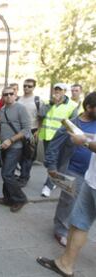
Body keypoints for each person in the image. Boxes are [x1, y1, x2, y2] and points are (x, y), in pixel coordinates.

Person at [37, 131, 96, 277]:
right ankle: (64, 264)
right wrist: (87, 136)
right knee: (78, 223)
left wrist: (84, 142)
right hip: (92, 180)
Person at [43, 92, 96, 246]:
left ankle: (76, 229)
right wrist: (51, 167)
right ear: (89, 107)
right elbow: (53, 146)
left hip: (92, 173)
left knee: (84, 207)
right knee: (68, 202)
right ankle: (61, 230)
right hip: (74, 170)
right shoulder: (72, 124)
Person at [0, 87, 31, 212]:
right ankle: (8, 198)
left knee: (7, 174)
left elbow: (26, 130)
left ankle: (20, 198)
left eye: (11, 94)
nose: (8, 96)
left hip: (16, 147)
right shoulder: (2, 110)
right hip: (4, 146)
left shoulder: (21, 108)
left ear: (15, 95)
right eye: (5, 94)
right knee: (7, 173)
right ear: (2, 96)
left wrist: (11, 140)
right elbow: (1, 128)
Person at [39, 83, 78, 197]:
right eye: (55, 89)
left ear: (64, 91)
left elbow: (73, 123)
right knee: (50, 161)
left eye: (59, 90)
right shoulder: (48, 102)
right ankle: (54, 180)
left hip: (61, 139)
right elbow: (41, 114)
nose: (57, 92)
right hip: (47, 136)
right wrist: (51, 103)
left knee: (55, 162)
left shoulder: (72, 105)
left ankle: (48, 186)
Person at [17, 78, 44, 186]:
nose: (26, 88)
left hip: (32, 131)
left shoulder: (37, 100)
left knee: (28, 156)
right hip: (19, 131)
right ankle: (23, 174)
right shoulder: (18, 99)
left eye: (29, 86)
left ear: (34, 87)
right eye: (25, 86)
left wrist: (38, 130)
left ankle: (24, 177)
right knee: (18, 154)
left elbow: (41, 117)